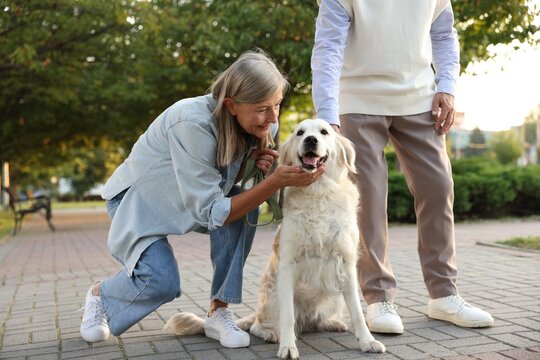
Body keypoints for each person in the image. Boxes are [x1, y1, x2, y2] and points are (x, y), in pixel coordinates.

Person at [79, 49, 324, 348]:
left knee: (245, 209)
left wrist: (252, 168)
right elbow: (213, 211)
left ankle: (218, 311)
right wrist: (273, 182)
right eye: (263, 108)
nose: (272, 118)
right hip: (138, 202)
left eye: (277, 105)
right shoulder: (191, 123)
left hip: (187, 202)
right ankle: (99, 295)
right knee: (162, 282)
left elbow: (222, 186)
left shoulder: (260, 123)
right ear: (232, 105)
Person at [311, 0, 494, 334]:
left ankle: (443, 294)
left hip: (419, 98)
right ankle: (378, 296)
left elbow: (444, 35)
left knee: (438, 187)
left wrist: (447, 87)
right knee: (368, 195)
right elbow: (328, 47)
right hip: (356, 98)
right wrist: (327, 114)